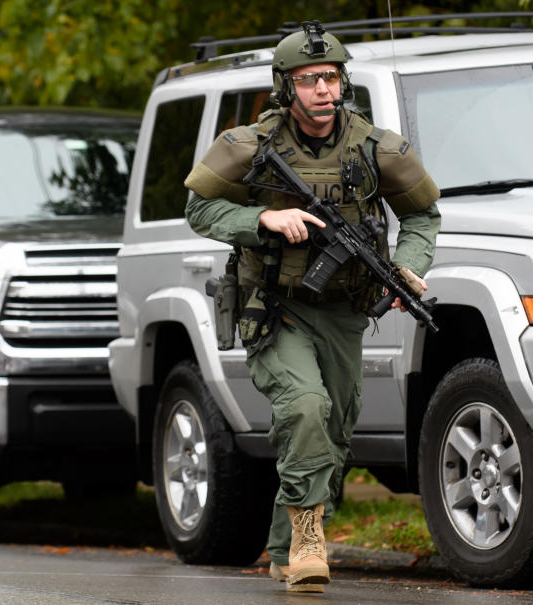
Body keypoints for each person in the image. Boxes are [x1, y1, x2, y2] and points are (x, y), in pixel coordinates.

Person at [184, 22, 440, 593]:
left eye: (331, 77)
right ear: (285, 87)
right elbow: (199, 209)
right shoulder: (249, 145)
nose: (324, 89)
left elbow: (423, 215)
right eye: (309, 80)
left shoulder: (377, 148)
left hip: (346, 309)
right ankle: (306, 539)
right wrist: (261, 220)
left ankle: (282, 549)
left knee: (334, 429)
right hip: (274, 306)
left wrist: (405, 267)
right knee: (304, 408)